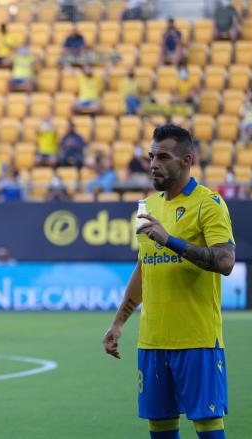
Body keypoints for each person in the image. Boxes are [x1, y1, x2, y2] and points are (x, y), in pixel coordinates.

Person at [103, 124, 236, 439]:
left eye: (163, 157)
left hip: (197, 341)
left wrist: (170, 241)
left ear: (187, 160)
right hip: (152, 342)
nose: (153, 164)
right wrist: (119, 321)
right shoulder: (147, 206)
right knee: (160, 429)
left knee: (207, 427)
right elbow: (143, 267)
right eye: (151, 156)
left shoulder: (209, 203)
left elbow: (225, 262)